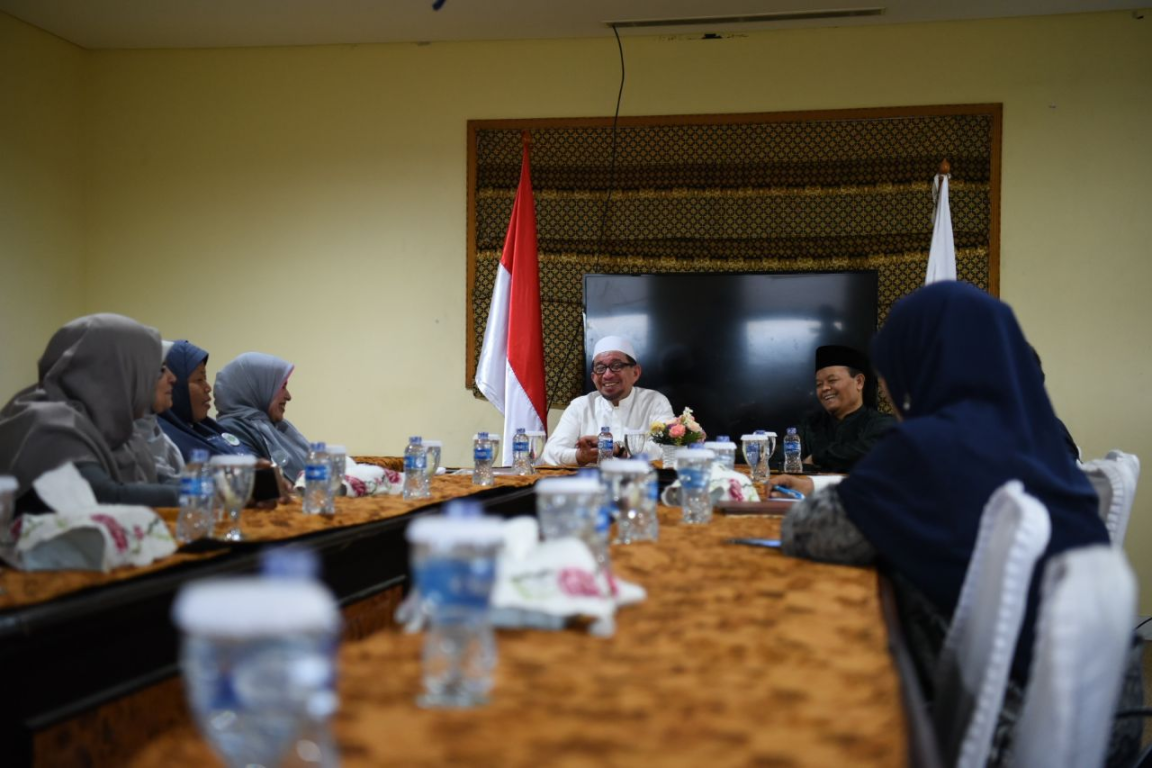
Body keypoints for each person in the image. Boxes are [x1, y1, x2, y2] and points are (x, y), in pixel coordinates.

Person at [775, 282, 1139, 766]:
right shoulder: (1043, 438)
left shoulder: (931, 445)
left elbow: (807, 533)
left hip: (988, 731)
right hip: (1097, 722)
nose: (887, 385)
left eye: (892, 369)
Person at [0, 314, 181, 509]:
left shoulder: (112, 427)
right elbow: (102, 497)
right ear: (115, 371)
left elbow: (156, 482)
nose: (172, 378)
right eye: (155, 370)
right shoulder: (48, 422)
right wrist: (195, 492)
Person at [541, 336, 674, 466]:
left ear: (635, 373)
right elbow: (550, 452)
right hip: (591, 485)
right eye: (600, 368)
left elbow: (667, 449)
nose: (607, 375)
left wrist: (618, 449)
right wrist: (580, 456)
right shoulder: (580, 406)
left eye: (616, 366)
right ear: (593, 377)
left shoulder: (655, 401)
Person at [795, 344, 894, 472]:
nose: (824, 388)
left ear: (859, 382)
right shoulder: (808, 426)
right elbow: (783, 459)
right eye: (819, 384)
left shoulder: (881, 424)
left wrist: (817, 458)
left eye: (832, 380)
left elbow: (871, 451)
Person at [213, 352, 311, 480]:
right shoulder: (231, 431)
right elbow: (262, 486)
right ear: (255, 386)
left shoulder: (277, 427)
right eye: (282, 387)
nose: (288, 396)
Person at [159, 340, 253, 460]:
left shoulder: (204, 428)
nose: (208, 388)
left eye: (205, 378)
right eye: (199, 379)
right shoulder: (161, 440)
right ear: (177, 386)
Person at [130, 341, 184, 482]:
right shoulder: (110, 444)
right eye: (161, 369)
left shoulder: (165, 443)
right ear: (132, 375)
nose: (173, 378)